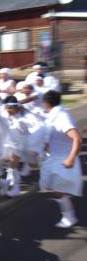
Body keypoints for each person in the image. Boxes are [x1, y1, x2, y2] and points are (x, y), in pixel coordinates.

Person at [40, 91, 83, 228]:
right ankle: (66, 207)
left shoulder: (61, 118)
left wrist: (70, 159)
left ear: (46, 103)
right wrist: (48, 144)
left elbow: (77, 139)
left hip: (63, 160)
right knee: (50, 185)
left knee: (58, 189)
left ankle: (69, 217)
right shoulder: (54, 116)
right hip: (54, 157)